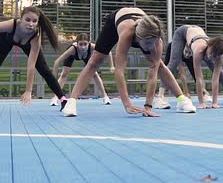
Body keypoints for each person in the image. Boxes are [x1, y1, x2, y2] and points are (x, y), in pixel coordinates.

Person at [61, 7, 196, 117]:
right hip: (116, 22)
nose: (151, 47)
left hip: (141, 23)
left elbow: (153, 74)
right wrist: (127, 104)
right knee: (94, 61)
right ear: (138, 38)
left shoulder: (156, 41)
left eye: (154, 42)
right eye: (148, 43)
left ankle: (182, 100)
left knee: (158, 64)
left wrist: (148, 106)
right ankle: (71, 102)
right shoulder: (127, 34)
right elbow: (119, 71)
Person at [155, 25, 223, 109]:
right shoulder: (199, 50)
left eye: (214, 56)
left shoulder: (219, 55)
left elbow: (215, 79)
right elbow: (199, 78)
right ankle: (160, 97)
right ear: (210, 46)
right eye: (211, 54)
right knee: (174, 62)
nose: (211, 57)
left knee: (217, 70)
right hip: (183, 33)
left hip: (196, 34)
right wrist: (201, 103)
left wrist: (215, 103)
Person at [51, 33, 115, 106]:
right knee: (64, 74)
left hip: (86, 56)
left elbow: (108, 51)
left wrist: (112, 66)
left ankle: (105, 96)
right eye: (80, 44)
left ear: (89, 43)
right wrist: (54, 75)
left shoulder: (93, 47)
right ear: (77, 44)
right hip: (73, 56)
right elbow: (57, 61)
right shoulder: (72, 49)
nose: (83, 47)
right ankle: (55, 97)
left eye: (85, 44)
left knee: (94, 74)